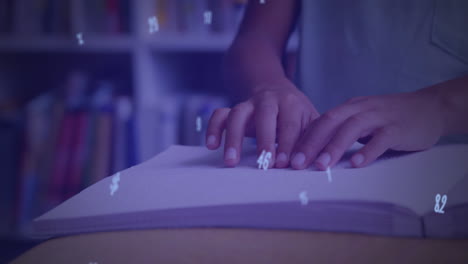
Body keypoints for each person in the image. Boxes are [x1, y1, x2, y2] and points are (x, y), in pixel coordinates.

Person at [205, 0, 468, 170]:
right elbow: (254, 38)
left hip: (450, 171)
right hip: (313, 163)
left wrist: (439, 107)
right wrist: (265, 86)